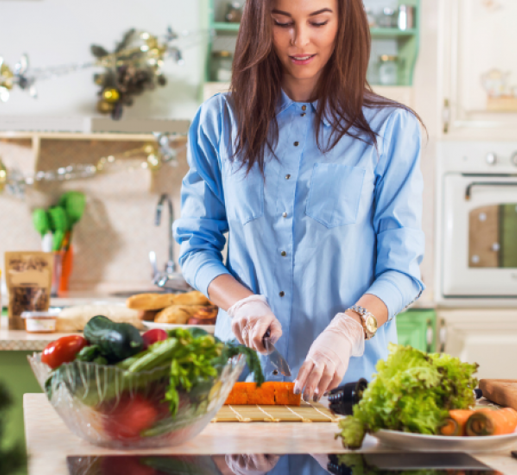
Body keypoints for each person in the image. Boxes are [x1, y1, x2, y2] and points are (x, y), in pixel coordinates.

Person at [174, 0, 424, 402]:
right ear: (259, 25)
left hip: (350, 388)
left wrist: (350, 327)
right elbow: (194, 247)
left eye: (319, 21)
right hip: (242, 383)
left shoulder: (391, 129)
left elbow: (403, 271)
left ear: (344, 23)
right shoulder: (220, 120)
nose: (300, 40)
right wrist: (241, 304)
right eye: (282, 23)